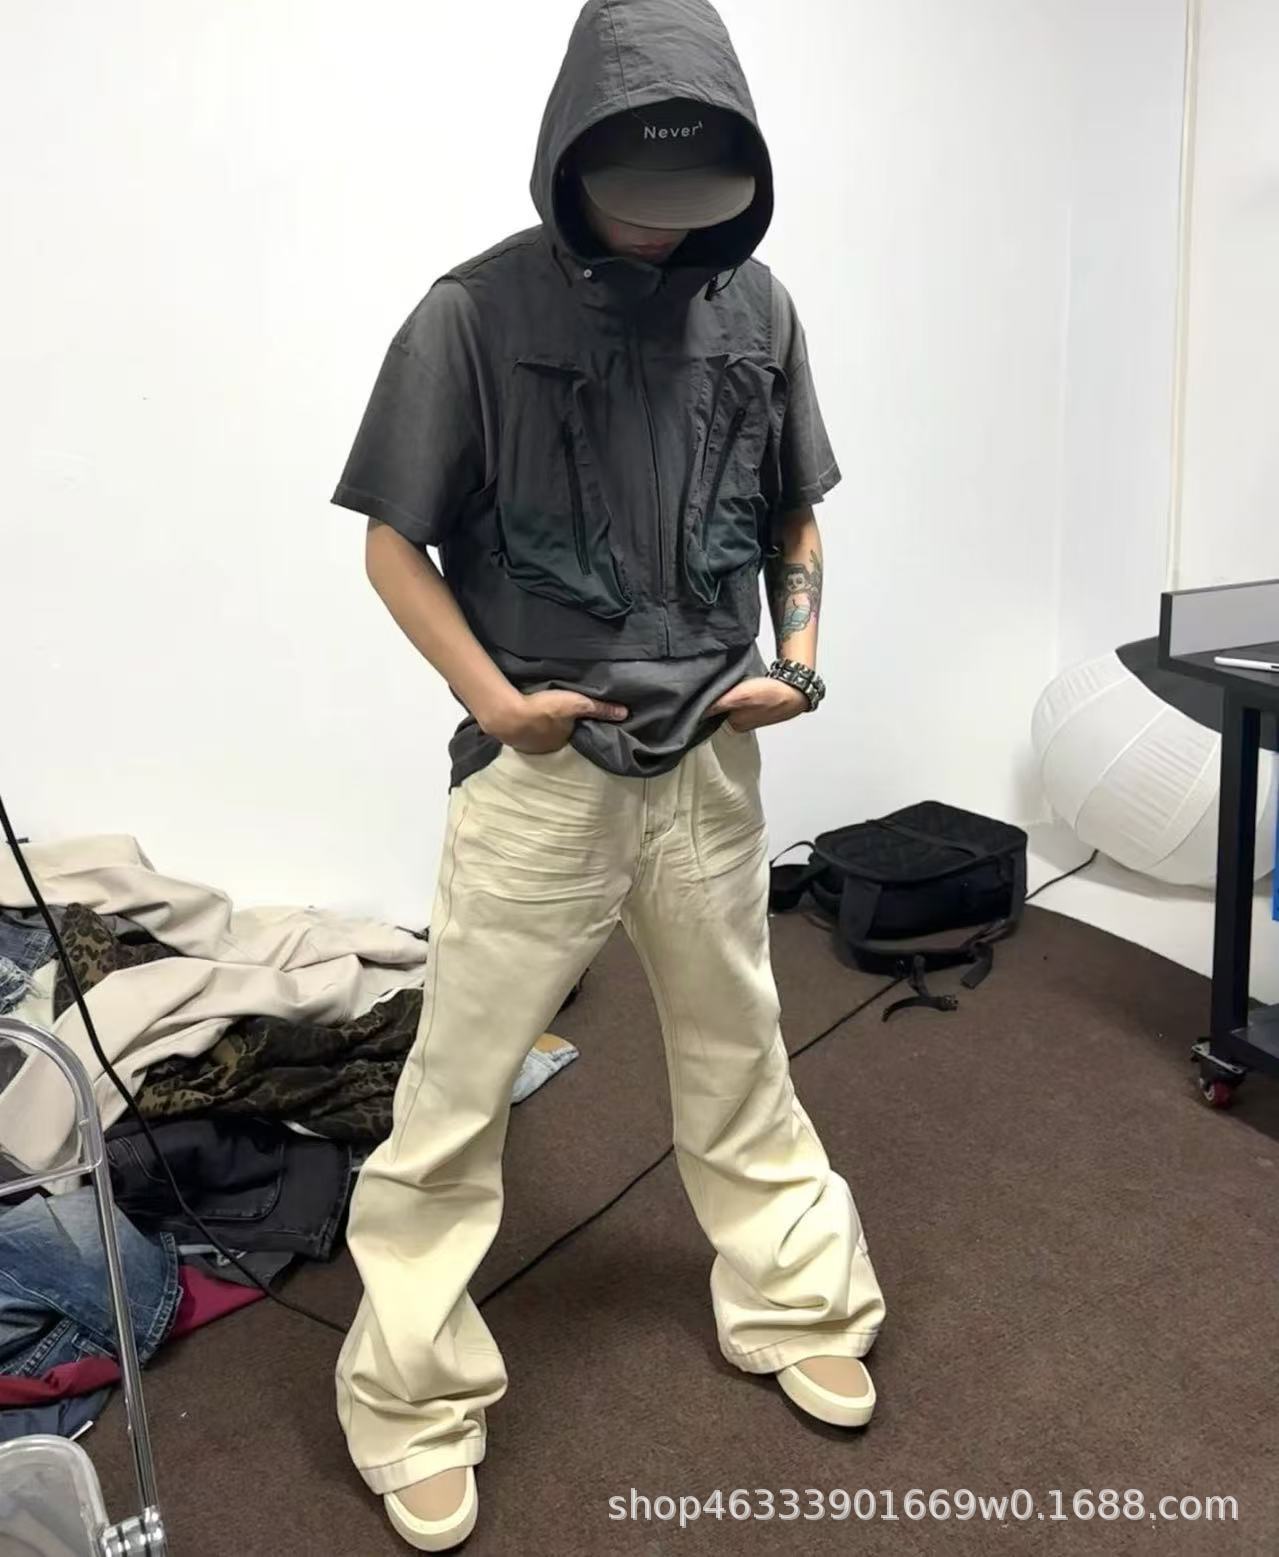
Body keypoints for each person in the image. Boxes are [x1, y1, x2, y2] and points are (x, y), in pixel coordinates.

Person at [329, 0, 886, 1548]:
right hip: (545, 770)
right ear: (569, 160)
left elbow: (797, 509)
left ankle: (798, 1297)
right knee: (457, 1090)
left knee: (741, 1048)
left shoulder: (760, 309)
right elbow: (392, 539)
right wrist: (498, 703)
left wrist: (800, 661)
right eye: (633, 195)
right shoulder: (469, 314)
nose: (658, 226)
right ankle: (409, 1394)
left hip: (710, 761)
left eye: (687, 199)